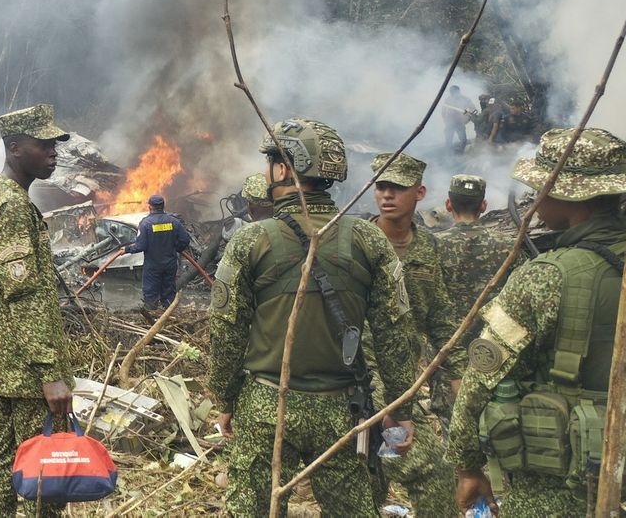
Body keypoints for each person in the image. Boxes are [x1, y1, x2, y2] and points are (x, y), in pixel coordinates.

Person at [450, 127, 626, 515]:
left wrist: (467, 466)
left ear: (568, 195)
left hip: (552, 490)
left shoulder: (543, 276)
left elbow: (481, 378)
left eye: (541, 188)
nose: (535, 198)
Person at [209, 118, 418, 516]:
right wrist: (401, 408)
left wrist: (226, 397)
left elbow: (226, 331)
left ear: (283, 169)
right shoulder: (368, 238)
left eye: (270, 162)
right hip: (343, 408)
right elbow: (396, 333)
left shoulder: (252, 239)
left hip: (268, 407)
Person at [0, 104, 74, 517]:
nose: (54, 153)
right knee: (42, 479)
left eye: (55, 144)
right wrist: (50, 374)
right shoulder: (13, 207)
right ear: (16, 148)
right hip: (23, 375)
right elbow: (24, 297)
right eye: (44, 144)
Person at [368, 152, 461, 515]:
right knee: (430, 471)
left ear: (419, 193)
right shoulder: (358, 241)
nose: (387, 195)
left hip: (402, 381)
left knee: (372, 477)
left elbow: (439, 314)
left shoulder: (428, 247)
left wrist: (457, 372)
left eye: (397, 187)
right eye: (381, 187)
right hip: (364, 379)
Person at [436, 174, 519, 335]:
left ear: (448, 204)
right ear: (483, 206)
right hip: (490, 339)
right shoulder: (509, 246)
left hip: (444, 337)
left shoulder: (432, 244)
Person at [122, 195, 191, 310]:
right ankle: (168, 314)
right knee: (168, 292)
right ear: (163, 206)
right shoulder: (174, 221)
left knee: (151, 293)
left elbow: (141, 246)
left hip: (153, 265)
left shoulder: (146, 223)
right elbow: (185, 240)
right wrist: (176, 248)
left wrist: (126, 249)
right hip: (170, 264)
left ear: (150, 207)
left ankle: (151, 313)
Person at [442, 85, 476, 153]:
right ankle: (448, 154)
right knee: (448, 140)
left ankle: (461, 152)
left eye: (453, 91)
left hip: (460, 122)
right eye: (451, 92)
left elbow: (472, 109)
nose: (452, 93)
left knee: (463, 140)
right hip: (450, 122)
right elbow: (443, 110)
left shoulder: (465, 99)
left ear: (458, 91)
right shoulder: (448, 99)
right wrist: (445, 119)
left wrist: (467, 119)